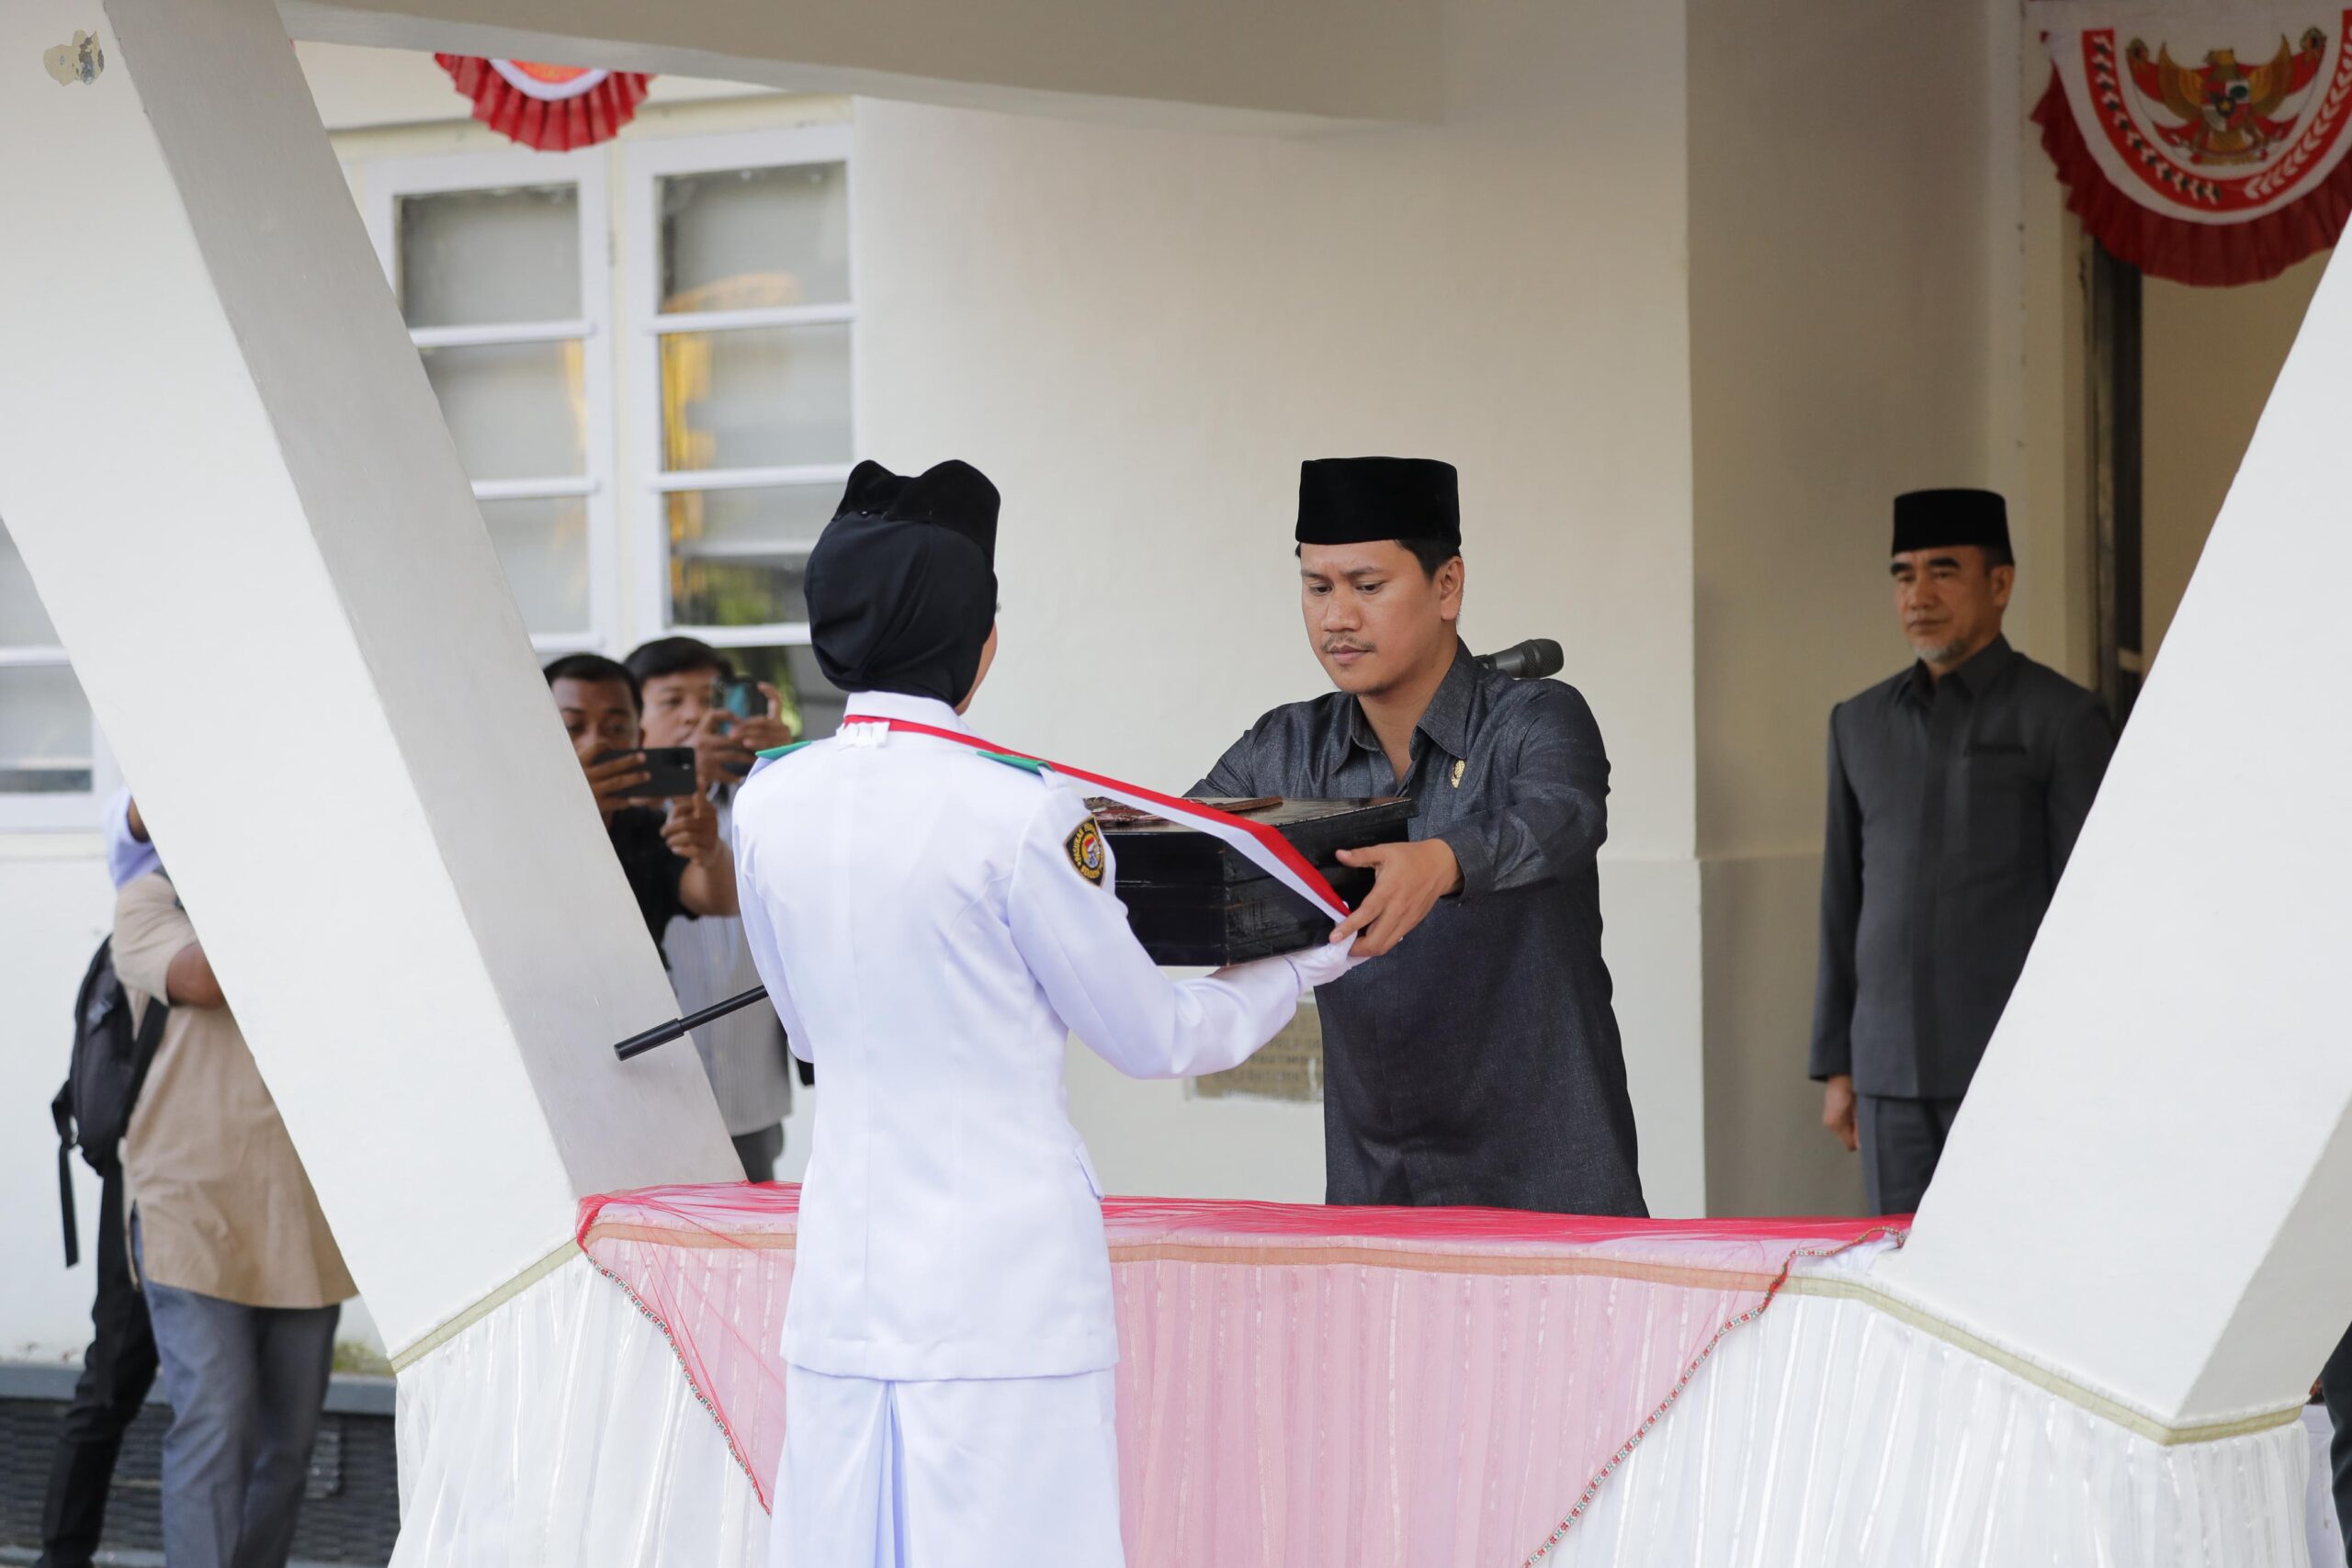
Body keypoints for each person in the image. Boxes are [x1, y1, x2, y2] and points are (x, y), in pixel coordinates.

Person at [732, 458, 1363, 1567]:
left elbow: (811, 1034)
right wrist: (1307, 964)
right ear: (978, 644)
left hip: (843, 1286)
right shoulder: (1020, 815)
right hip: (1005, 1293)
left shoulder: (768, 799)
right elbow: (1157, 1037)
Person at [1193, 456, 1644, 1216]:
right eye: (1317, 587)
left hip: (1549, 1178)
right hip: (1380, 1185)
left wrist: (1441, 861)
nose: (1337, 617)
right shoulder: (1286, 748)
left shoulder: (1535, 718)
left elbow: (1562, 817)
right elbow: (1185, 841)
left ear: (1448, 585)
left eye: (1367, 586)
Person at [1810, 489, 2116, 1214]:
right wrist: (1839, 1065)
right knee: (1900, 1266)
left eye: (1943, 571)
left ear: (2000, 583)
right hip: (1887, 1074)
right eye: (1903, 574)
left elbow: (2089, 914)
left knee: (2017, 1262)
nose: (1918, 595)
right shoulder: (1858, 724)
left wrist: (2083, 1069)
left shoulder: (2063, 719)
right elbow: (1841, 902)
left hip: (2014, 1073)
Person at [112, 871, 356, 1568]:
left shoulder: (317, 898)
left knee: (288, 1446)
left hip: (302, 1214)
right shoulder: (148, 901)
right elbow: (206, 979)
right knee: (217, 1419)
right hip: (188, 1206)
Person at [35, 793, 163, 1568]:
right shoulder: (148, 875)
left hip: (231, 1168)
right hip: (146, 1171)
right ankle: (61, 1556)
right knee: (115, 1370)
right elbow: (135, 816)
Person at [625, 636, 797, 1181]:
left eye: (710, 698)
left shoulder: (767, 798)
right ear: (635, 720)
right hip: (643, 1100)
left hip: (752, 1094)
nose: (695, 715)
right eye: (672, 701)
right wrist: (678, 773)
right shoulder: (616, 813)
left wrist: (785, 766)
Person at [544, 653, 739, 959]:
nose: (596, 742)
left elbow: (721, 900)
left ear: (640, 738)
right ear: (536, 732)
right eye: (572, 726)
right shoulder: (506, 825)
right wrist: (567, 811)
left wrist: (709, 850)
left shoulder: (650, 827)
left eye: (616, 728)